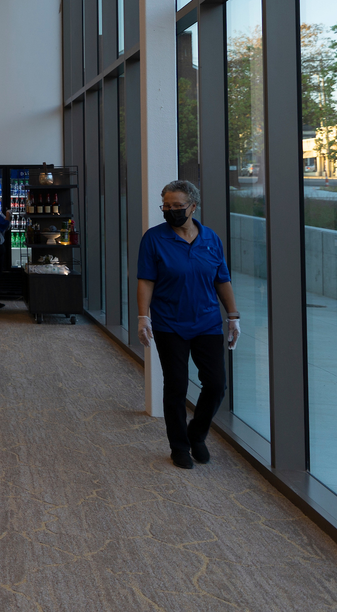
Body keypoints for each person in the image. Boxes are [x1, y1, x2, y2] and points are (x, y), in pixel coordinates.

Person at [137, 180, 240, 470]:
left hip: (207, 321)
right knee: (177, 385)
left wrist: (233, 317)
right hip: (170, 323)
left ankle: (197, 435)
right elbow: (146, 279)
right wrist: (143, 316)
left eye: (177, 206)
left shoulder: (211, 239)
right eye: (166, 206)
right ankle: (179, 446)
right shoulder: (154, 239)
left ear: (193, 206)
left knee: (217, 384)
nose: (170, 211)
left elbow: (222, 279)